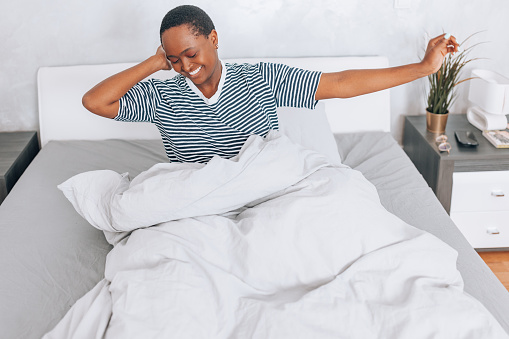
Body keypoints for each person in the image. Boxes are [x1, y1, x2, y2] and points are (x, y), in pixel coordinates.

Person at [82, 5, 459, 163]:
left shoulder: (258, 78)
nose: (185, 66)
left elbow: (343, 83)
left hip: (261, 191)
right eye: (174, 58)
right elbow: (94, 102)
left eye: (191, 53)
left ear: (213, 39)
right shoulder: (161, 96)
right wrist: (154, 62)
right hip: (193, 201)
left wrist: (424, 68)